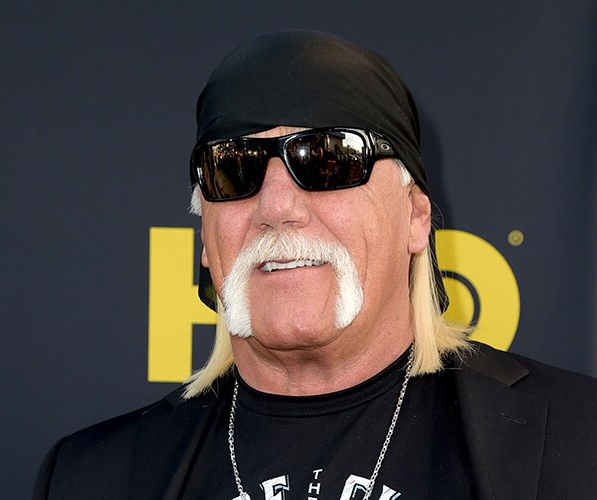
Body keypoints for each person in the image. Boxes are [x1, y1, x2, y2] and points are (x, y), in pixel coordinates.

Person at [34, 30, 597, 500]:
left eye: (328, 160)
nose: (276, 207)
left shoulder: (580, 442)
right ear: (206, 239)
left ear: (415, 216)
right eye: (235, 169)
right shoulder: (89, 479)